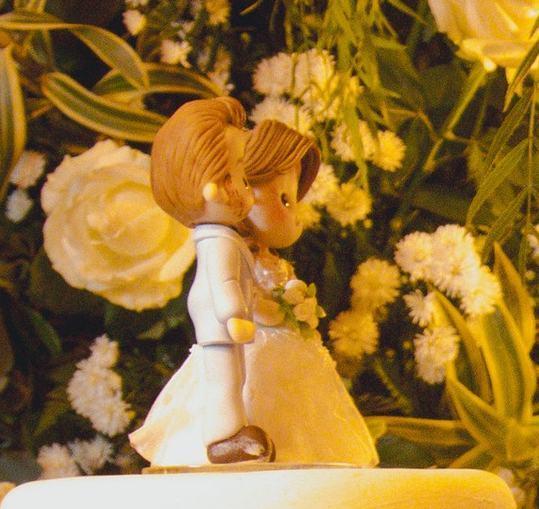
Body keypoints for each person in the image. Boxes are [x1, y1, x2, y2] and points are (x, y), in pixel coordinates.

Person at [134, 94, 377, 470]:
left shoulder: (244, 247)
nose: (243, 192)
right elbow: (227, 284)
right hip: (240, 329)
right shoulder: (218, 239)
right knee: (230, 381)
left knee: (245, 385)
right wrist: (250, 311)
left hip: (250, 330)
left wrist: (292, 305)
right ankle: (223, 436)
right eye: (283, 198)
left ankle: (237, 437)